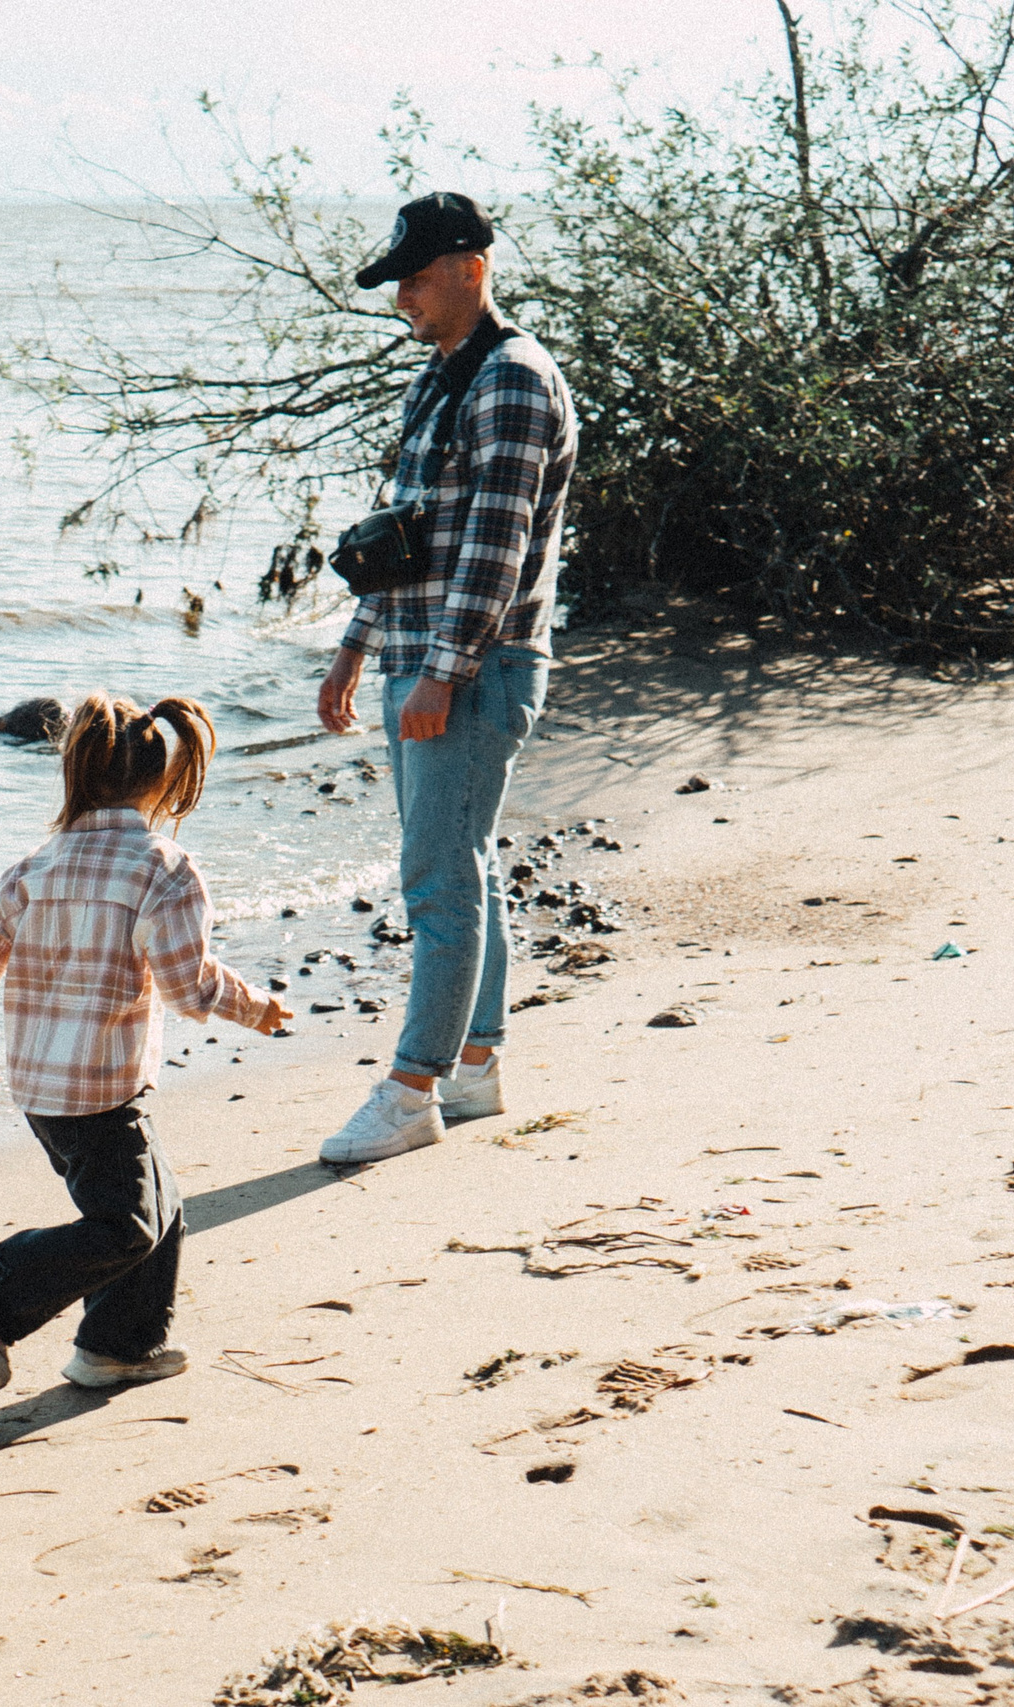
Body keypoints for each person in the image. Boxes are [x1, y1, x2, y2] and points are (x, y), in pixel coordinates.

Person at [0, 693, 291, 1390]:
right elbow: (187, 985)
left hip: (43, 1090)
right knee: (126, 1226)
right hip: (101, 1091)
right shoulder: (163, 868)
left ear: (78, 774)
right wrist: (253, 1006)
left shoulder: (39, 864)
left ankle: (116, 1346)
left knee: (158, 1208)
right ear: (162, 781)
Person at [313, 191, 578, 1164]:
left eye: (415, 281)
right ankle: (474, 1066)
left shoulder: (511, 380)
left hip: (472, 667)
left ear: (471, 267)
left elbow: (495, 556)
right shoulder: (439, 378)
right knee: (462, 865)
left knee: (437, 879)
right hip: (418, 657)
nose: (403, 302)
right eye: (397, 285)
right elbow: (408, 540)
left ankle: (412, 1089)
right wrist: (353, 646)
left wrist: (438, 676)